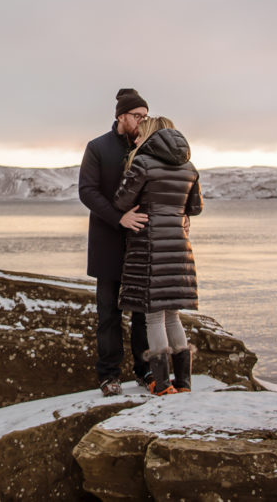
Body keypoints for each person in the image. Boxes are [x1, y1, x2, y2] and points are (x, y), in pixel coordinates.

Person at [113, 115, 203, 395]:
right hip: (179, 247)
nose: (136, 138)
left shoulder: (143, 164)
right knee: (172, 315)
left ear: (151, 135)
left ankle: (162, 384)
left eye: (141, 134)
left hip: (150, 247)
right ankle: (184, 383)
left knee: (153, 317)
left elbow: (122, 201)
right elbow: (195, 207)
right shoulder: (190, 167)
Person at [79, 88, 152, 397]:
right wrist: (118, 218)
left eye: (145, 117)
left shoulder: (149, 147)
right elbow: (87, 191)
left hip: (141, 243)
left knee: (142, 314)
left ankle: (145, 370)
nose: (142, 121)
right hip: (108, 241)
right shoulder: (97, 147)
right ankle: (109, 376)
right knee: (108, 314)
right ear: (121, 116)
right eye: (137, 116)